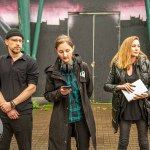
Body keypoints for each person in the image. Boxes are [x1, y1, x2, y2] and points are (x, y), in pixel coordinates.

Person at [44, 34, 96, 150]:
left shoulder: (84, 67)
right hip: (62, 119)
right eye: (61, 51)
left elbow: (88, 91)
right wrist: (59, 93)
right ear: (56, 51)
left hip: (81, 118)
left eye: (67, 50)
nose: (65, 54)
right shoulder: (51, 72)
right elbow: (47, 95)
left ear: (73, 48)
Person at [104, 36, 150, 150]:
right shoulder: (117, 64)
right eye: (133, 46)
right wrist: (120, 86)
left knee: (144, 142)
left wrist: (147, 94)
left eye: (138, 46)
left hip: (141, 107)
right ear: (126, 47)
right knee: (123, 142)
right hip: (124, 107)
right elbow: (106, 86)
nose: (136, 48)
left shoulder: (145, 62)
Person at [0, 28, 39, 150]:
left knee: (25, 147)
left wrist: (11, 104)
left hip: (23, 113)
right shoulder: (0, 61)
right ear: (6, 42)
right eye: (14, 40)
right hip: (2, 114)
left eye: (20, 41)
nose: (18, 43)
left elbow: (31, 88)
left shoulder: (30, 62)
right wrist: (5, 107)